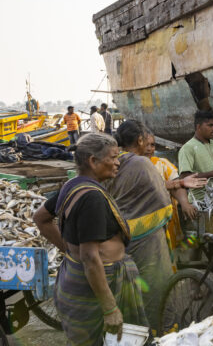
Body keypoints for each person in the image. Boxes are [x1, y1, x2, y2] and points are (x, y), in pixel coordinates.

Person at [33, 133, 147, 344]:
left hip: (74, 275)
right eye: (112, 157)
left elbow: (40, 218)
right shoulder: (92, 198)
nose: (117, 162)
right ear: (93, 161)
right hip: (96, 283)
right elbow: (90, 257)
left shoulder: (72, 185)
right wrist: (110, 308)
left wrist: (69, 251)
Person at [105, 120, 204, 331]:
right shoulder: (142, 164)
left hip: (121, 238)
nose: (150, 147)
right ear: (140, 140)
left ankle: (135, 331)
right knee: (157, 290)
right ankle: (160, 333)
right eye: (147, 142)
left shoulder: (112, 163)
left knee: (132, 289)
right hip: (147, 240)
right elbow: (161, 200)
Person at [145, 131, 204, 253]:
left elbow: (176, 184)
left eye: (152, 145)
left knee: (168, 252)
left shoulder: (162, 163)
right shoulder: (132, 165)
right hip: (144, 222)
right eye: (146, 145)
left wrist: (185, 203)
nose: (149, 149)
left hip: (166, 219)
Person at [179, 110, 213, 202]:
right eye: (210, 125)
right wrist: (211, 174)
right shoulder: (187, 148)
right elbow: (184, 177)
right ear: (198, 127)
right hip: (200, 201)